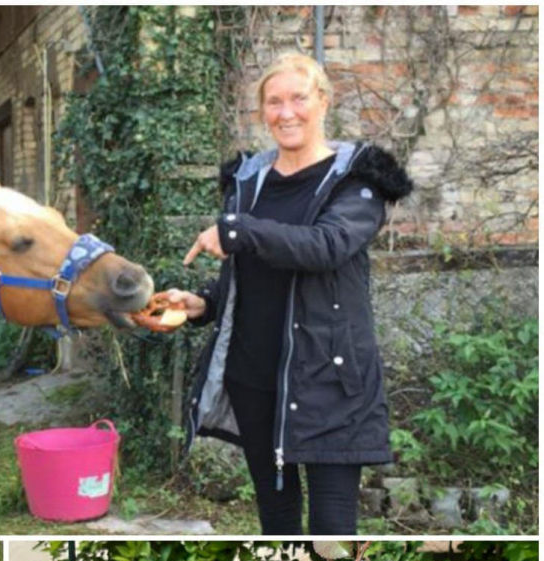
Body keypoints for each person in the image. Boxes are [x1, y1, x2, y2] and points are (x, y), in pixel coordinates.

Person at [169, 52, 412, 535]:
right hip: (256, 378)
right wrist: (202, 304)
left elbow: (326, 247)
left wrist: (237, 231)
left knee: (332, 531)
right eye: (273, 102)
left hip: (330, 381)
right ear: (262, 111)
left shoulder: (357, 184)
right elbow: (250, 277)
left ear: (322, 101)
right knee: (277, 524)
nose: (286, 113)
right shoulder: (248, 181)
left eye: (298, 98)